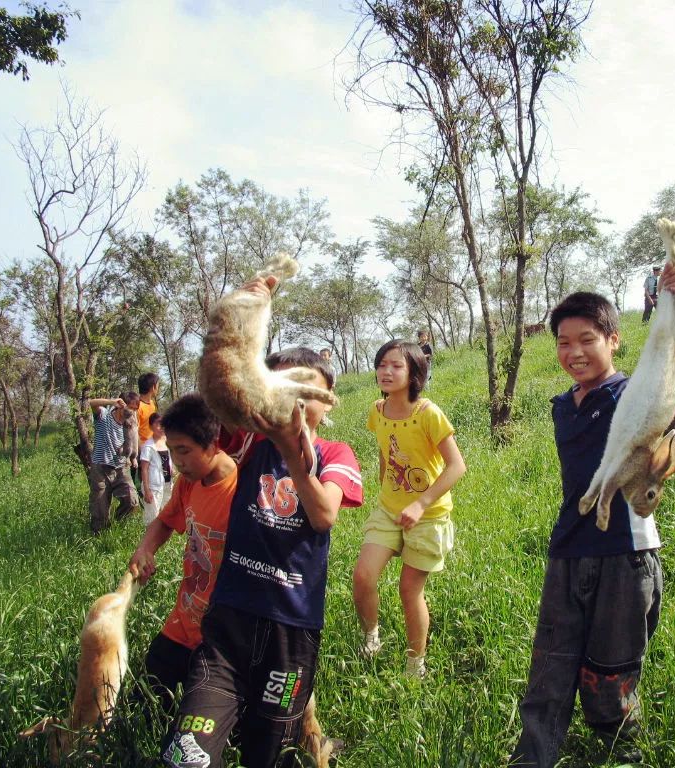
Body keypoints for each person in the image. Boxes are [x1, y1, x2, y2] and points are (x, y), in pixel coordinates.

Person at [159, 289, 363, 767]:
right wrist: (238, 315)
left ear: (326, 401)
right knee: (186, 755)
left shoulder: (337, 455)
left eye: (302, 386)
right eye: (280, 384)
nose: (291, 394)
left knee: (270, 755)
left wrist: (291, 450)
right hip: (229, 622)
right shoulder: (246, 440)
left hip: (291, 629)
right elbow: (216, 392)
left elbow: (323, 516)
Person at [509, 263, 675, 768]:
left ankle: (621, 753)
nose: (573, 352)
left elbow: (672, 405)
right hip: (568, 549)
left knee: (609, 676)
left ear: (614, 339)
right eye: (563, 342)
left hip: (624, 554)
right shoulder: (561, 405)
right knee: (548, 670)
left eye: (587, 339)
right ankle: (532, 758)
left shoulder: (632, 394)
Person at [352, 339, 466, 679]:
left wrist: (420, 503)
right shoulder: (378, 410)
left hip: (428, 516)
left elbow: (457, 466)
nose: (386, 371)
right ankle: (371, 638)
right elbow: (385, 451)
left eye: (396, 366)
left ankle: (415, 664)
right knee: (363, 576)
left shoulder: (427, 413)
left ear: (415, 372)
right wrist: (384, 482)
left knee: (408, 590)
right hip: (389, 509)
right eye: (382, 364)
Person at [131, 394, 238, 713]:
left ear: (213, 442)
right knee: (146, 703)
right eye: (172, 451)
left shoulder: (240, 490)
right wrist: (145, 549)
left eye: (185, 451)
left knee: (202, 716)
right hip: (184, 619)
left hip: (221, 634)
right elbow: (164, 521)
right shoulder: (189, 484)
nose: (177, 462)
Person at [87, 391, 141, 533]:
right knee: (99, 509)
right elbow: (91, 403)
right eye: (131, 408)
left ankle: (117, 526)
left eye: (136, 409)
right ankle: (99, 536)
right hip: (100, 468)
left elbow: (133, 444)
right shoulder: (103, 415)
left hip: (121, 468)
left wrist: (132, 458)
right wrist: (112, 402)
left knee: (132, 501)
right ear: (121, 405)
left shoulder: (130, 424)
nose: (133, 412)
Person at [139, 412, 174, 526]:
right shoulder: (148, 447)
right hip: (153, 487)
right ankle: (149, 542)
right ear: (151, 427)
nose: (161, 428)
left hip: (167, 484)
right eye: (158, 424)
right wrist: (147, 490)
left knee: (167, 515)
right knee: (152, 518)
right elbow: (144, 469)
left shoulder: (168, 442)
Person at [136, 373, 160, 488]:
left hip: (153, 447)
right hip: (142, 450)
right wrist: (142, 452)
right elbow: (135, 432)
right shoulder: (138, 406)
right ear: (153, 387)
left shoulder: (152, 404)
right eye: (158, 385)